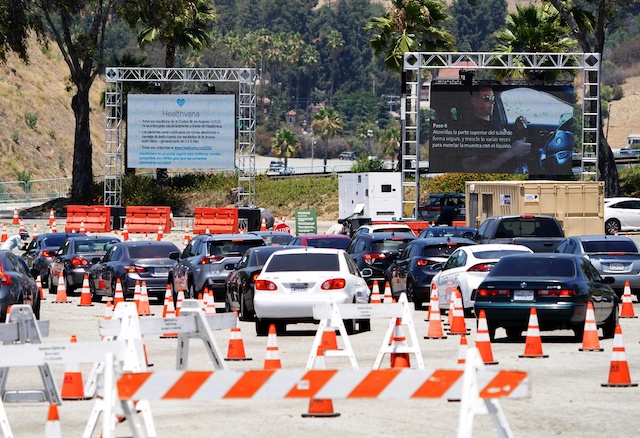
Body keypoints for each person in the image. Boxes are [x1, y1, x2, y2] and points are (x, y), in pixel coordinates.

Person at [459, 85, 531, 173]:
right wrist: (512, 151)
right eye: (487, 98)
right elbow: (472, 168)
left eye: (493, 97)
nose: (492, 101)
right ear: (474, 101)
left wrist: (516, 128)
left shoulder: (494, 122)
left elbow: (504, 141)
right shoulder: (469, 130)